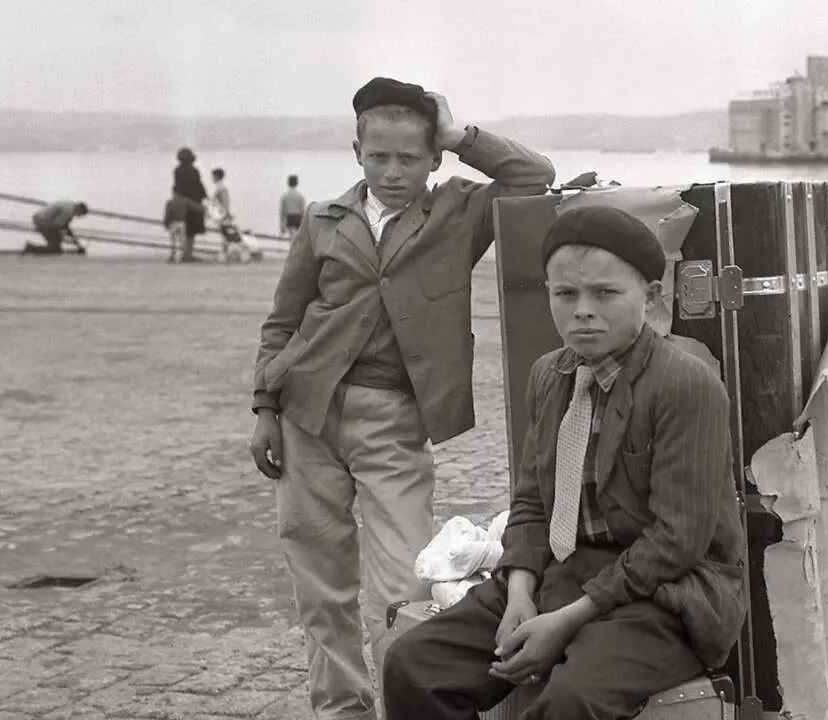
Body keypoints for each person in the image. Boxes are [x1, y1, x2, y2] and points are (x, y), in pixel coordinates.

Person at [249, 76, 554, 720]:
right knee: (320, 582)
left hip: (394, 420)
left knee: (407, 578)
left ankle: (403, 706)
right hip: (307, 414)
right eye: (378, 156)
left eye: (410, 157)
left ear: (434, 159)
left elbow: (533, 175)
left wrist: (458, 133)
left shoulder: (459, 213)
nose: (392, 172)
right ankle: (341, 708)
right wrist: (264, 410)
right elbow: (283, 323)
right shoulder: (323, 221)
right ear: (356, 151)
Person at [382, 206, 748, 720]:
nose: (582, 311)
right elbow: (531, 503)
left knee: (572, 702)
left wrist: (567, 621)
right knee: (413, 666)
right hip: (563, 574)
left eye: (605, 293)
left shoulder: (684, 384)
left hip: (665, 595)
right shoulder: (550, 376)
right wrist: (519, 596)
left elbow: (676, 541)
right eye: (565, 294)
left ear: (650, 295)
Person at [173, 147, 208, 262]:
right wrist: (204, 199)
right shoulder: (193, 170)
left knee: (183, 229)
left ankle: (184, 253)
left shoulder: (177, 170)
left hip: (181, 202)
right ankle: (188, 254)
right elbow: (198, 186)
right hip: (194, 202)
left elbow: (177, 187)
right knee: (191, 231)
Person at [163, 195, 188, 262]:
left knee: (173, 241)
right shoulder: (184, 203)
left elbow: (167, 214)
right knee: (181, 240)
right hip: (182, 223)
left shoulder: (170, 203)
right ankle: (180, 257)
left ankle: (173, 255)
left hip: (173, 223)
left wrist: (166, 224)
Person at [280, 174, 307, 239]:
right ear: (296, 183)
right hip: (298, 217)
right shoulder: (300, 196)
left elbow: (283, 211)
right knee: (298, 238)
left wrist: (282, 225)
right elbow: (303, 210)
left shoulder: (285, 196)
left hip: (289, 218)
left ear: (288, 183)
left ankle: (292, 247)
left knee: (291, 236)